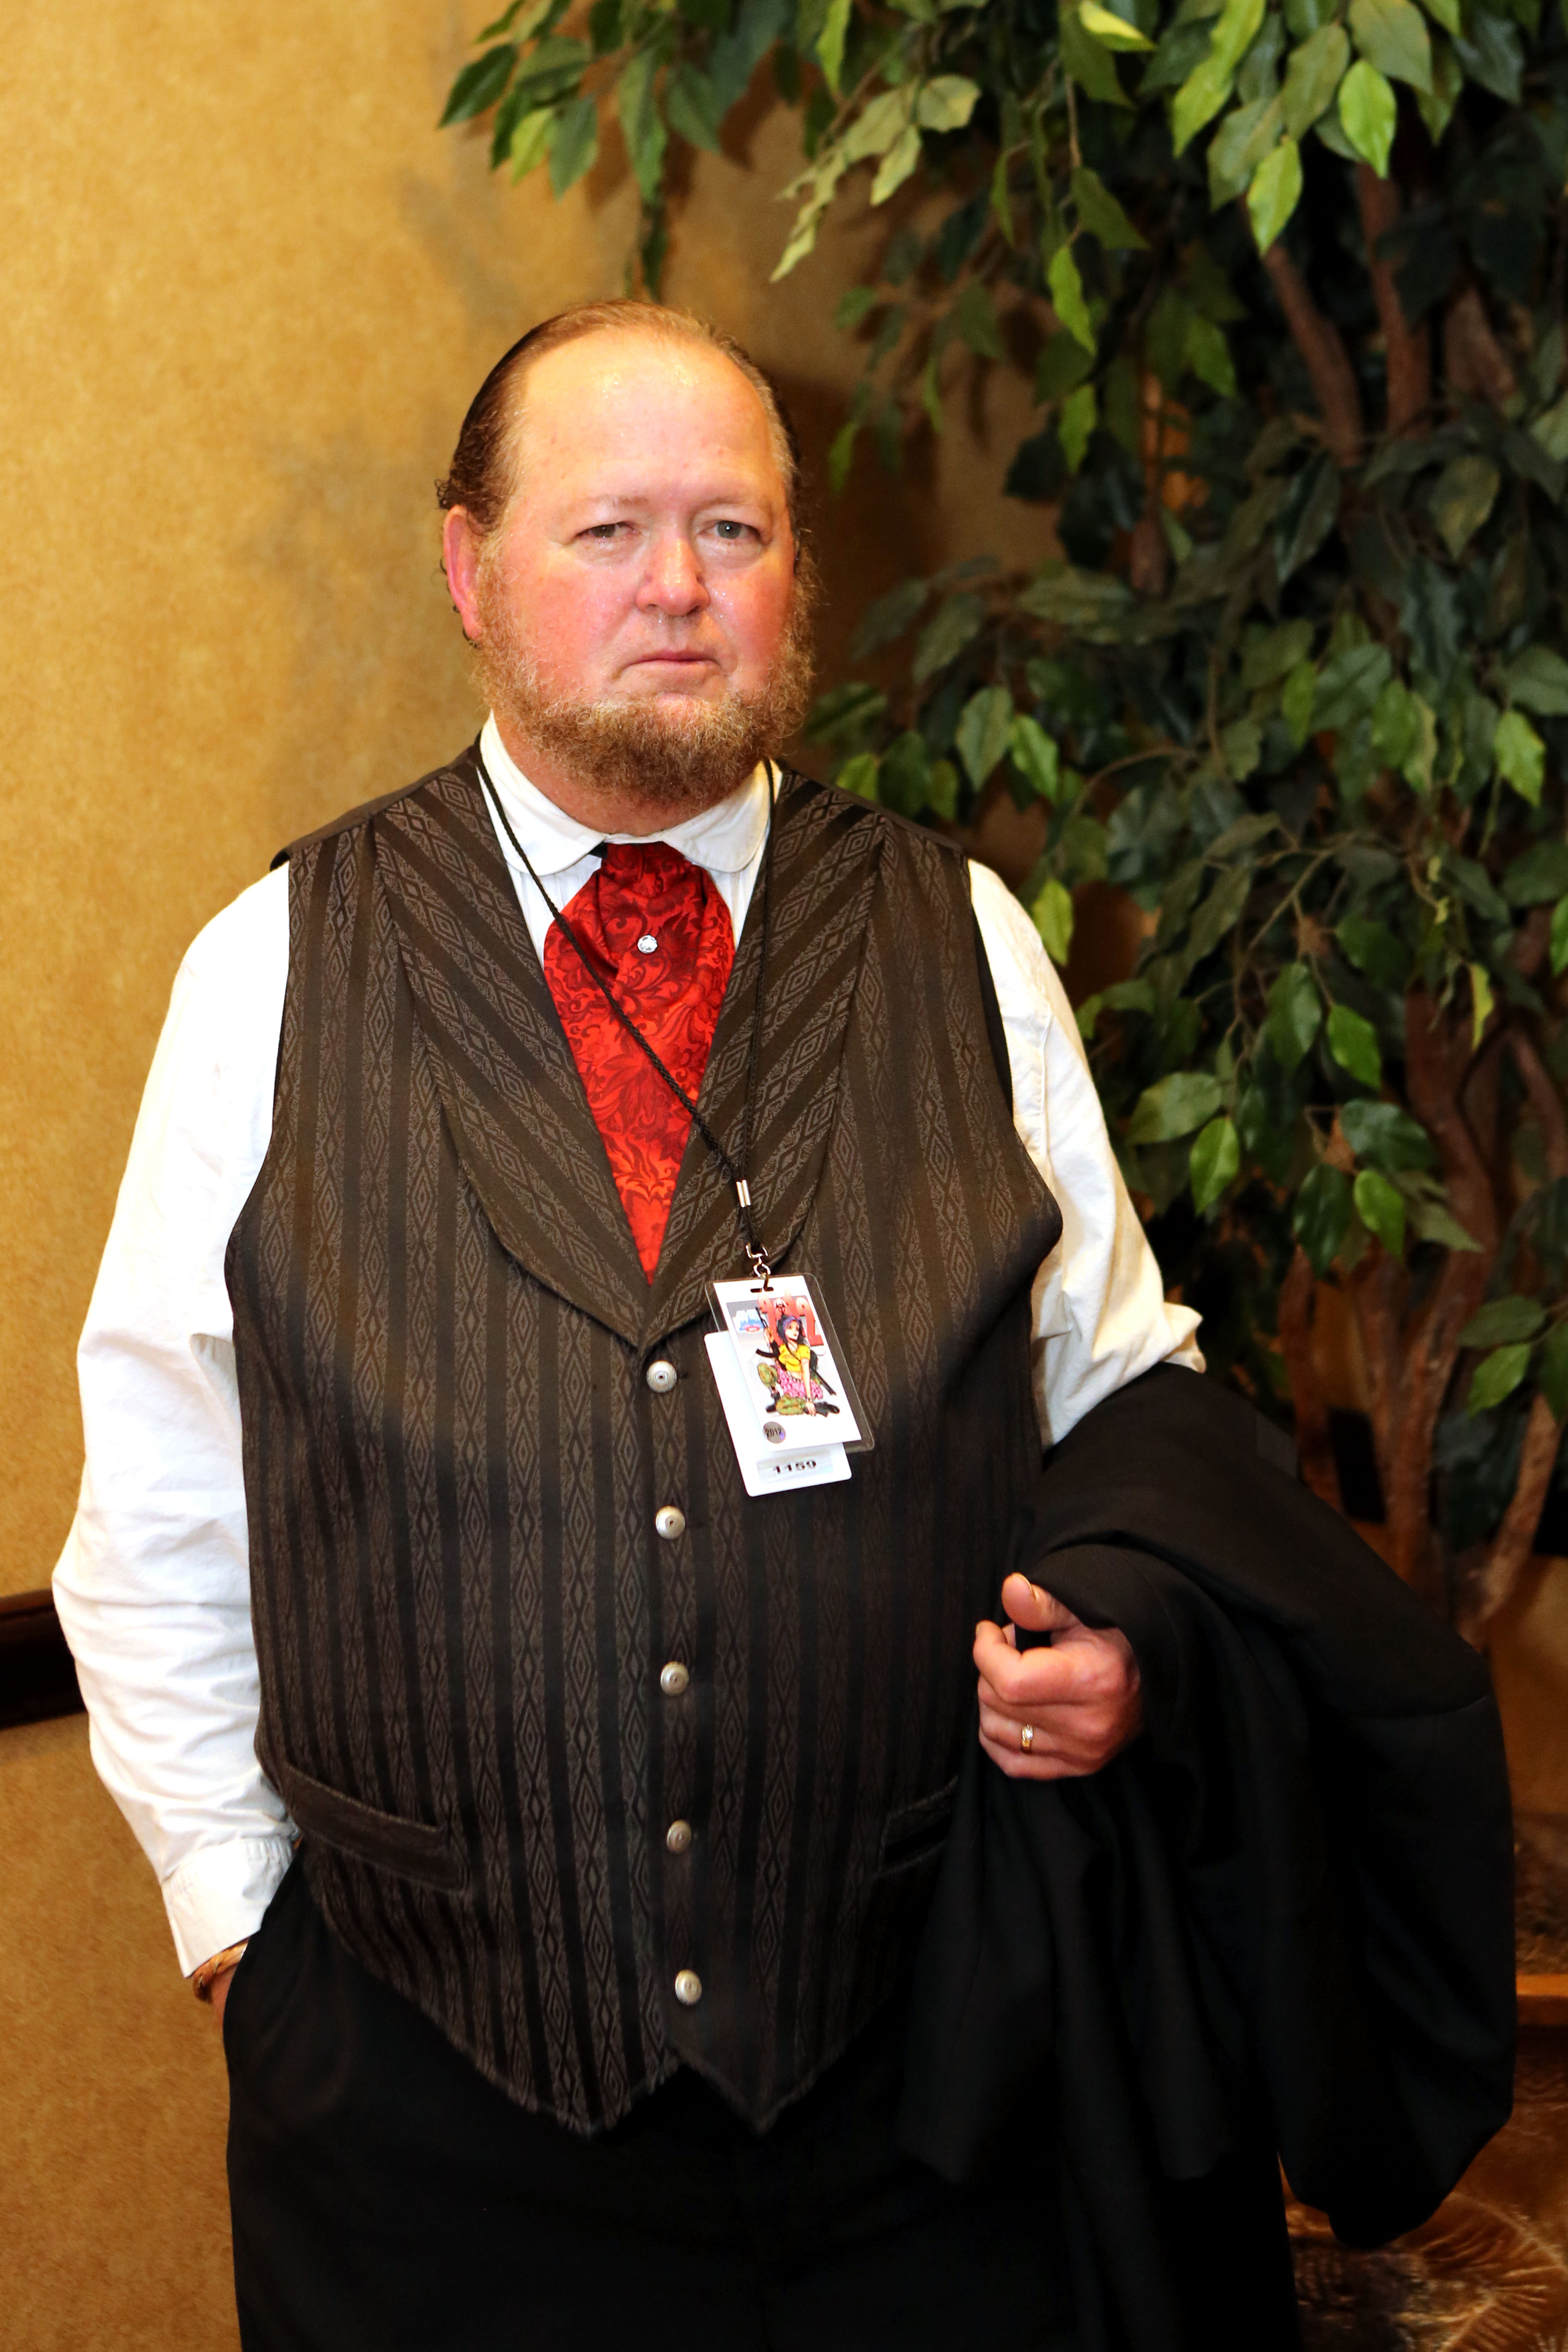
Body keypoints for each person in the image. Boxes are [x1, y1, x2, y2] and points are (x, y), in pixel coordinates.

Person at [53, 302, 1511, 2352]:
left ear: (793, 575)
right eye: (608, 530)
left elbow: (1125, 1403)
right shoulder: (276, 964)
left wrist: (1126, 1636)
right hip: (420, 2129)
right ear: (470, 568)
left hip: (926, 2098)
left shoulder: (962, 938)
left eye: (732, 530)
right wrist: (240, 1941)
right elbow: (161, 1504)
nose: (678, 584)